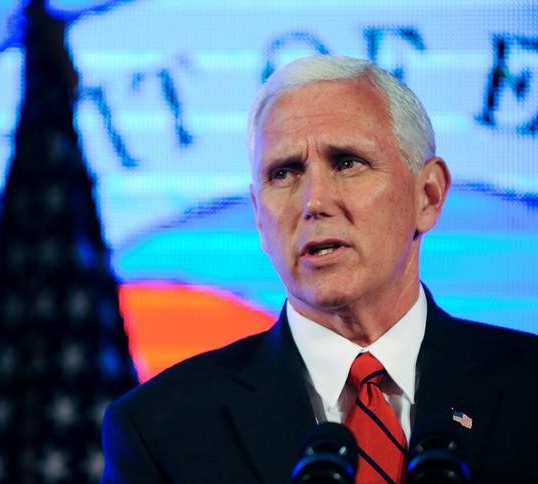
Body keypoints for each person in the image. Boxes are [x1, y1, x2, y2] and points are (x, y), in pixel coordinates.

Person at [100, 55, 538, 483]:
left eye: (347, 163)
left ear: (428, 195)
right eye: (284, 173)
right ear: (259, 216)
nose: (313, 202)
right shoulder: (161, 430)